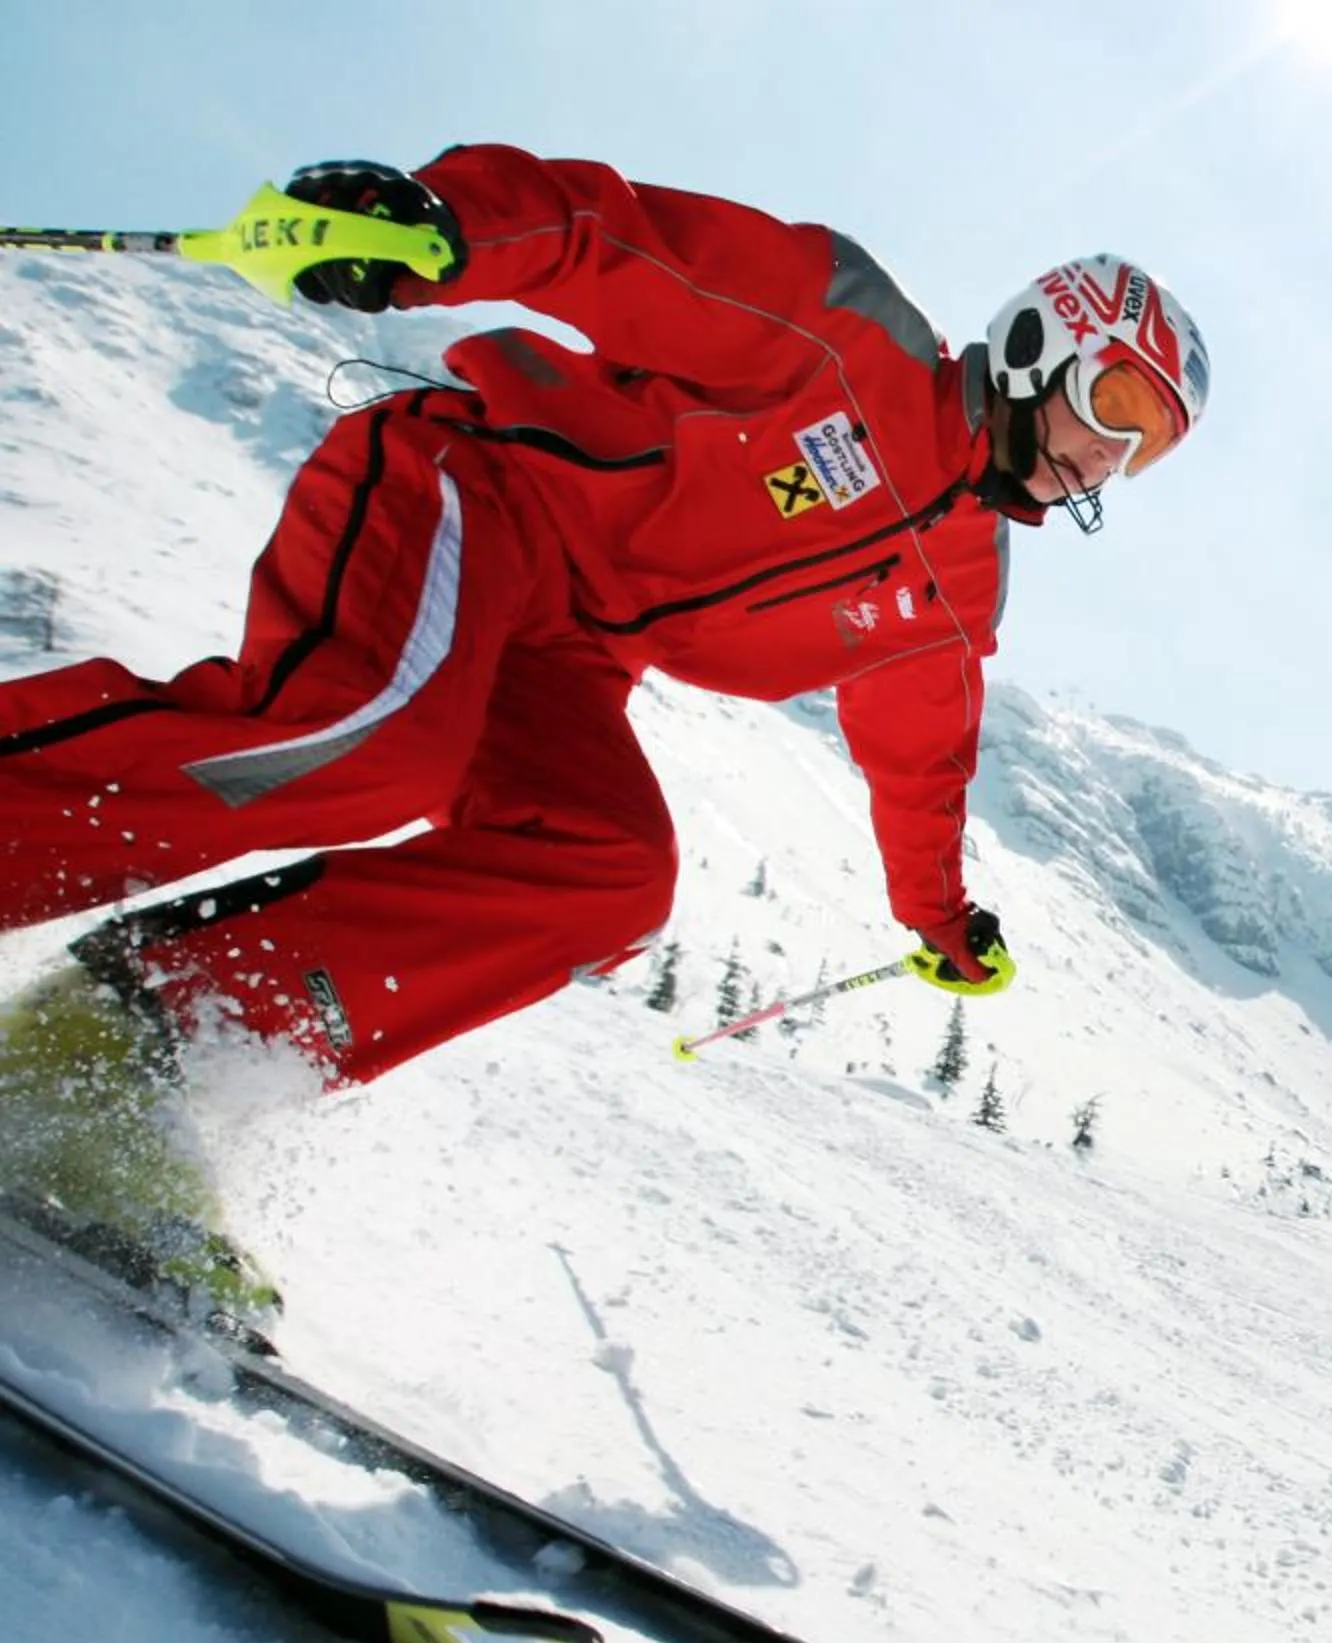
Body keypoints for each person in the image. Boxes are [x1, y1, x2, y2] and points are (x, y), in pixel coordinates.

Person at [0, 146, 1211, 1312]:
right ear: (1039, 339)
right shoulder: (847, 335)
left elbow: (921, 762)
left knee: (608, 872)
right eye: (1111, 402)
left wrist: (943, 922)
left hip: (566, 654)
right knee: (371, 735)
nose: (1107, 454)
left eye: (1144, 447)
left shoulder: (956, 587)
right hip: (476, 482)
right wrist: (437, 229)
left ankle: (136, 1035)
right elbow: (615, 242)